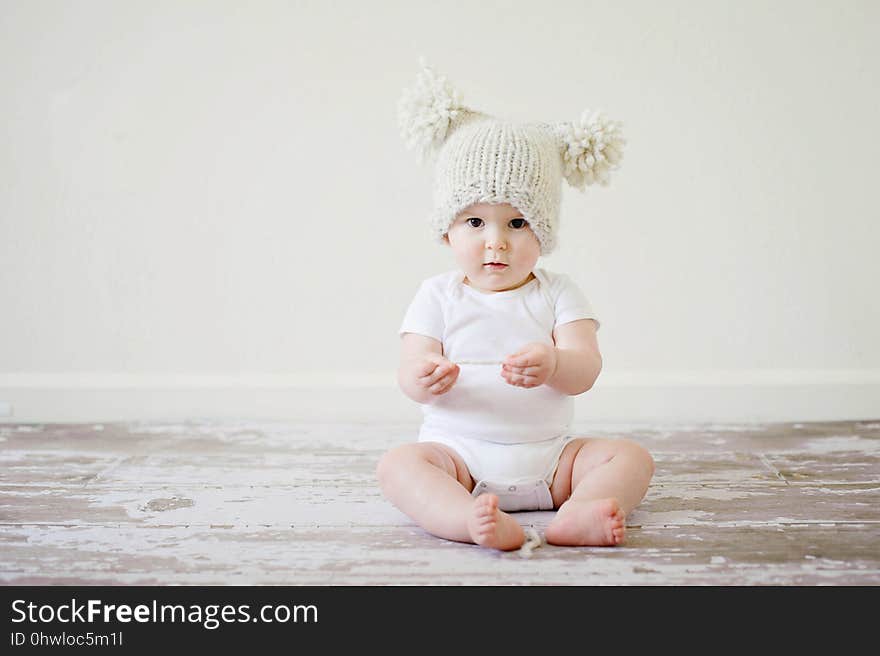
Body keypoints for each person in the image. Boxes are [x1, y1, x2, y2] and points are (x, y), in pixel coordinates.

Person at [377, 59, 654, 551]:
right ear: (447, 230)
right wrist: (423, 374)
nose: (496, 243)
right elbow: (408, 370)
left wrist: (554, 364)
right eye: (476, 223)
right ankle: (468, 519)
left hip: (552, 463)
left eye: (517, 223)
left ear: (543, 232)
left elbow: (585, 369)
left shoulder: (559, 293)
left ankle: (581, 511)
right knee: (398, 466)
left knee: (630, 458)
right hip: (458, 459)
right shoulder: (437, 295)